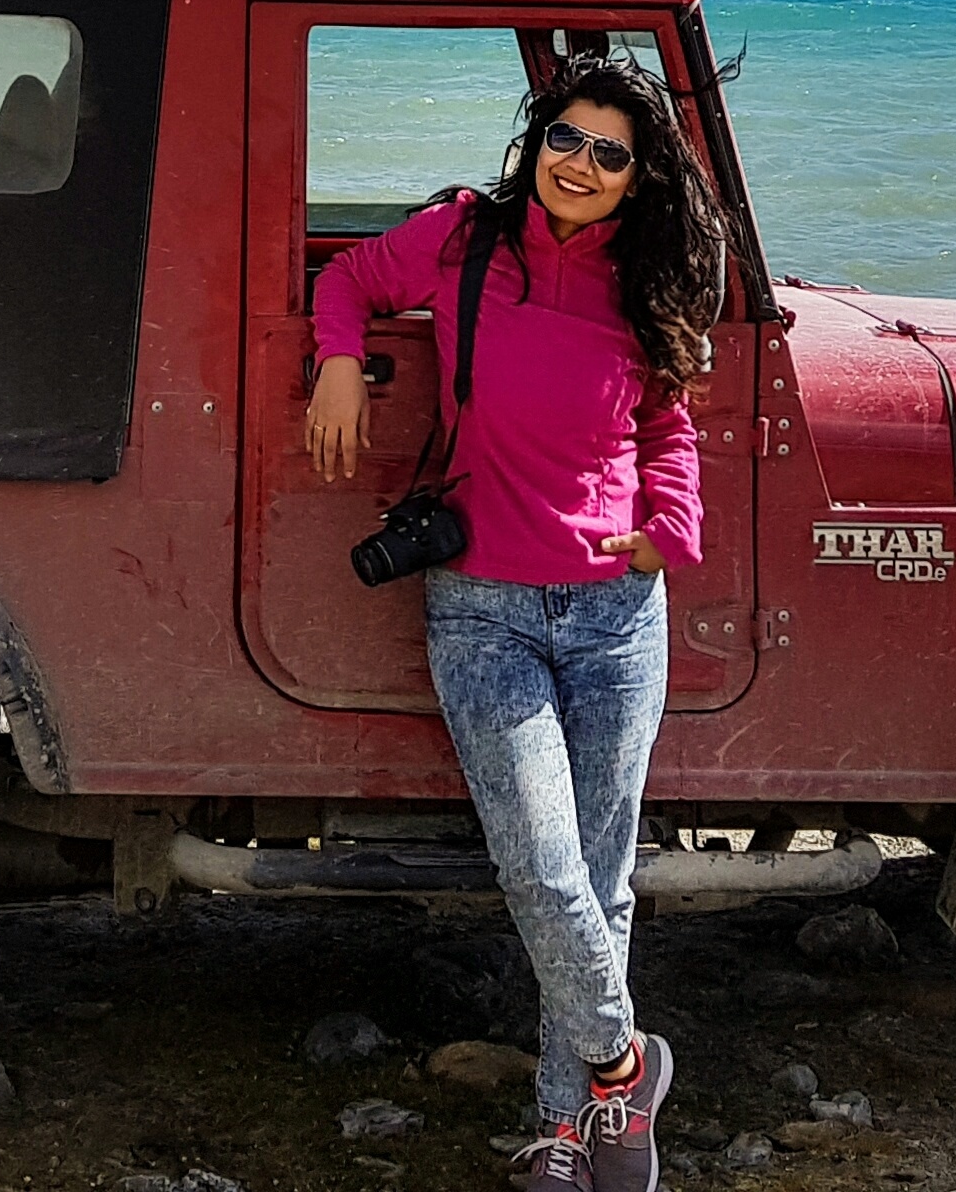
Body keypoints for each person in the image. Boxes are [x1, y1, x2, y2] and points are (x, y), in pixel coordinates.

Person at [306, 58, 729, 1192]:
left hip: (615, 615)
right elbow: (347, 279)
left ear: (637, 183)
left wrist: (668, 529)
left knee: (599, 877)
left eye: (609, 154)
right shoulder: (461, 238)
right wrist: (339, 366)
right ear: (535, 137)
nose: (579, 165)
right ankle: (623, 1065)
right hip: (484, 606)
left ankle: (563, 1131)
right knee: (543, 870)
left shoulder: (643, 281)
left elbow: (668, 425)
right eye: (565, 138)